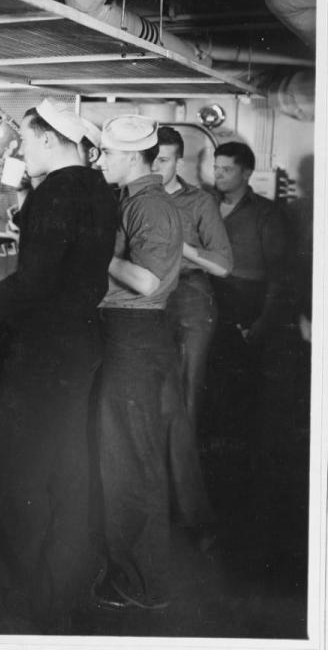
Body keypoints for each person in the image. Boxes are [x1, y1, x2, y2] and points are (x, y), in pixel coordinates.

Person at [0, 99, 117, 632]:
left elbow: (37, 279)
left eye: (24, 140)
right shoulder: (97, 188)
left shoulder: (55, 192)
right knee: (68, 468)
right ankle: (69, 583)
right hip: (83, 343)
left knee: (9, 466)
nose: (19, 149)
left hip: (46, 349)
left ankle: (40, 596)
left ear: (48, 140)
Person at [92, 115, 183, 612]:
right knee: (123, 455)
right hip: (125, 336)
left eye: (107, 154)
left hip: (135, 336)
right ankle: (129, 573)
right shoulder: (136, 201)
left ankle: (141, 583)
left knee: (132, 457)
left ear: (131, 157)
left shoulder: (150, 205)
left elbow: (147, 282)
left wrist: (100, 252)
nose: (102, 162)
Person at [154, 126, 231, 545]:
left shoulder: (200, 201)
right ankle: (159, 505)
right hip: (148, 300)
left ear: (179, 160)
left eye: (163, 159)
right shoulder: (133, 195)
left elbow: (223, 263)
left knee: (184, 405)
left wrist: (179, 248)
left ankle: (189, 514)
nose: (155, 166)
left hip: (190, 301)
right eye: (151, 157)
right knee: (153, 406)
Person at [208, 142, 291, 463]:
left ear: (246, 173)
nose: (219, 175)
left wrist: (264, 322)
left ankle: (241, 460)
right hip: (211, 300)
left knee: (242, 385)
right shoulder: (207, 204)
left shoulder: (266, 213)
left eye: (226, 170)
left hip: (246, 306)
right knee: (211, 380)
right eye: (216, 168)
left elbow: (279, 274)